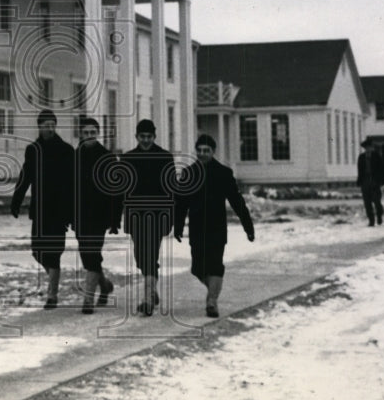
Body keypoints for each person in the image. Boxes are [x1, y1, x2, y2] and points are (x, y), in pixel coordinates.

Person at [174, 134, 255, 317]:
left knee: (215, 265)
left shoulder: (223, 173)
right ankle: (213, 291)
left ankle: (212, 301)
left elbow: (237, 201)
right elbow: (181, 202)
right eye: (200, 150)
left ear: (213, 152)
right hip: (197, 227)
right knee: (198, 269)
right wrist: (178, 225)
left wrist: (248, 226)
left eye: (206, 151)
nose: (202, 154)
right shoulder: (189, 173)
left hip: (217, 227)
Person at [11, 109, 74, 309]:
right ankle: (57, 281)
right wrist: (16, 201)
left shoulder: (66, 150)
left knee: (54, 253)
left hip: (59, 210)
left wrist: (72, 211)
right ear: (39, 126)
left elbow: (73, 183)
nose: (49, 128)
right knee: (38, 252)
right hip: (39, 209)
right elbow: (25, 176)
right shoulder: (33, 150)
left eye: (52, 124)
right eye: (46, 124)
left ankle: (52, 295)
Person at [116, 119, 176, 316]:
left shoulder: (165, 158)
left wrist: (171, 216)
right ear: (136, 137)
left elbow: (172, 189)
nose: (146, 140)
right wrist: (117, 217)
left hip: (157, 216)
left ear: (154, 137)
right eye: (142, 137)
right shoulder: (127, 159)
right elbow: (121, 191)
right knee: (141, 257)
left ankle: (148, 299)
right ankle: (152, 290)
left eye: (149, 137)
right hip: (135, 215)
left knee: (150, 255)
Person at [73, 117, 119, 314]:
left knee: (92, 252)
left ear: (97, 134)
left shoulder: (107, 157)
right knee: (87, 256)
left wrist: (115, 219)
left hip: (100, 216)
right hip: (80, 216)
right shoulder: (75, 156)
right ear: (81, 134)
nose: (90, 136)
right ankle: (105, 285)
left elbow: (116, 191)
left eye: (93, 132)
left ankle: (88, 299)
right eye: (86, 133)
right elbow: (69, 190)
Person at [356, 138, 384, 226]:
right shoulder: (361, 157)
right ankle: (371, 220)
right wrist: (359, 181)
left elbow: (381, 169)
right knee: (367, 202)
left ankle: (379, 215)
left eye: (369, 147)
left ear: (372, 148)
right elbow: (359, 170)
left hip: (374, 181)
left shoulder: (376, 156)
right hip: (365, 181)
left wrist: (381, 181)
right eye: (366, 148)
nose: (368, 149)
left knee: (377, 201)